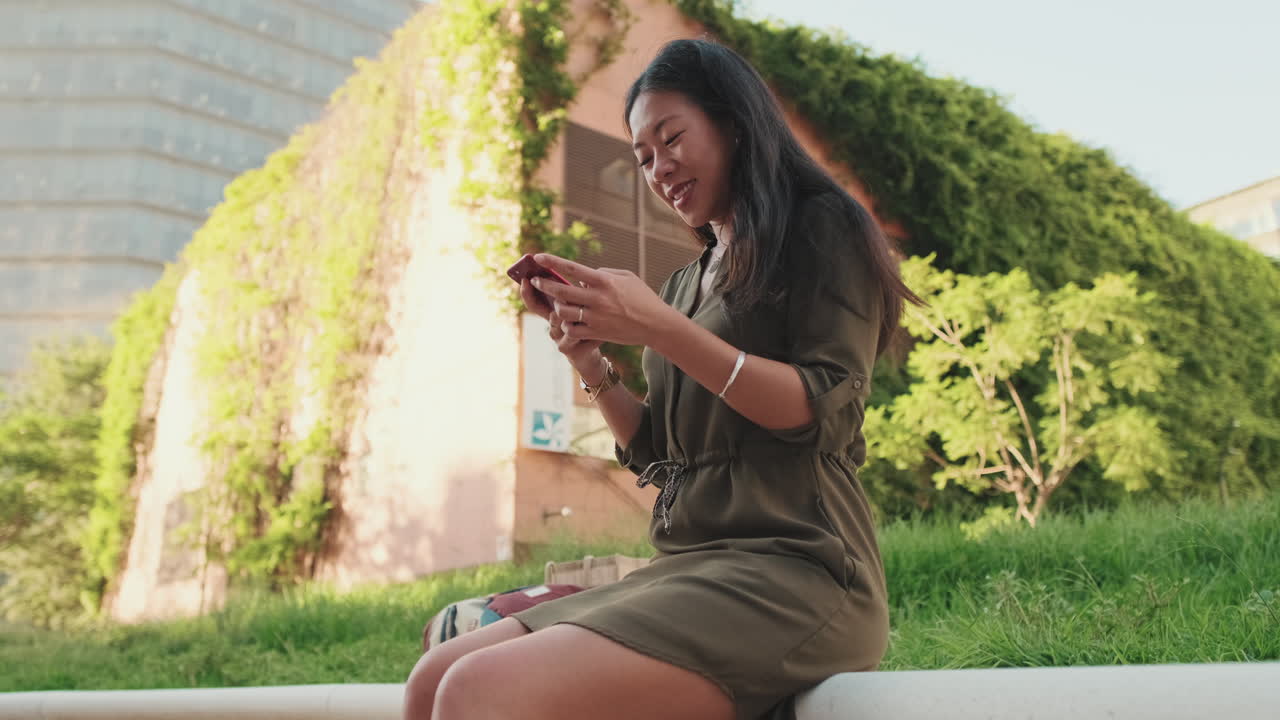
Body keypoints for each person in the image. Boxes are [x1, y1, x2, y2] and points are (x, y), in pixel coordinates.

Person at [403, 37, 923, 720]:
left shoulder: (821, 229)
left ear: (735, 124)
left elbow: (820, 411)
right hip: (687, 566)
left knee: (479, 691)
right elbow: (661, 454)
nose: (658, 168)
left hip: (798, 568)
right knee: (434, 676)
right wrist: (590, 362)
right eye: (643, 157)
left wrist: (661, 329)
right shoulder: (683, 284)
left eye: (672, 139)